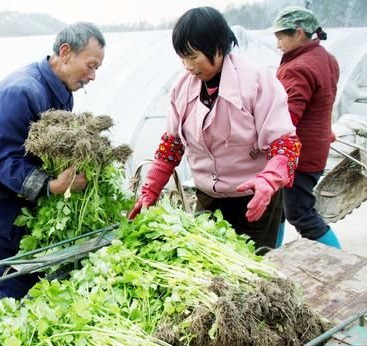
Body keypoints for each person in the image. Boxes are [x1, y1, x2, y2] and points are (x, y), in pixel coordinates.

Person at [129, 7, 301, 253]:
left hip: (254, 197)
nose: (188, 66)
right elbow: (171, 144)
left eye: (193, 56)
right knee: (207, 264)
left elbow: (284, 142)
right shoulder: (182, 88)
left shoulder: (256, 81)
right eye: (182, 58)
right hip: (209, 197)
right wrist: (150, 190)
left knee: (252, 265)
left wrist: (269, 180)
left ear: (218, 48)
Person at [0, 23, 106, 299]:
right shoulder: (20, 92)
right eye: (91, 65)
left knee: (36, 286)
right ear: (66, 52)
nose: (93, 76)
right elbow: (2, 161)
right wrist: (52, 186)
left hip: (19, 207)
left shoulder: (61, 92)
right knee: (19, 292)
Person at [273, 6, 341, 249]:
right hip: (317, 145)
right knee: (277, 208)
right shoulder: (326, 59)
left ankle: (340, 260)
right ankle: (271, 256)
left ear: (299, 33)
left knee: (301, 214)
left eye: (281, 36)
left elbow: (287, 117)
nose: (278, 43)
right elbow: (323, 102)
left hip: (300, 154)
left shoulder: (298, 67)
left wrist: (263, 144)